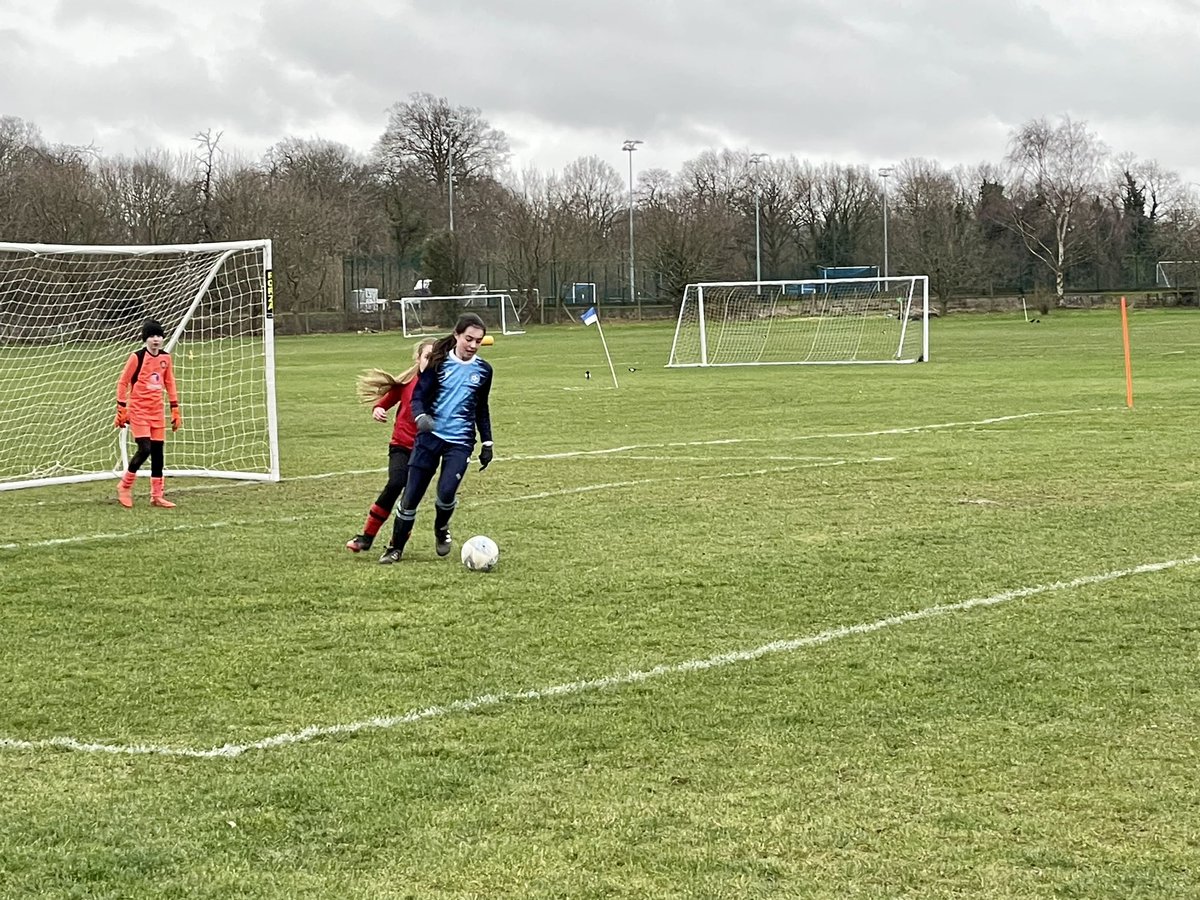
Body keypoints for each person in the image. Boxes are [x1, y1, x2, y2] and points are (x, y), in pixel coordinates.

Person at [379, 313, 494, 564]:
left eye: (478, 341)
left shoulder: (484, 371)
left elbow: (481, 408)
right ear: (457, 335)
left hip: (460, 442)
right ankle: (395, 548)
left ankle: (441, 529)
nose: (473, 345)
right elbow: (418, 395)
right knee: (410, 497)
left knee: (446, 493)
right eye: (469, 339)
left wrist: (487, 442)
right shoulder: (438, 363)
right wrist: (420, 416)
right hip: (429, 439)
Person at [345, 337, 436, 553]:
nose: (432, 362)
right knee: (395, 483)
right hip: (402, 446)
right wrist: (378, 409)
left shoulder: (445, 387)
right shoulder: (408, 383)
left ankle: (397, 546)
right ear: (418, 358)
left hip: (426, 451)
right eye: (428, 357)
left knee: (410, 498)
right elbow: (385, 401)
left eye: (437, 358)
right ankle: (366, 537)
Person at [114, 319, 181, 508]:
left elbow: (170, 383)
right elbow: (122, 382)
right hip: (138, 411)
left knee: (158, 453)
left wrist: (175, 408)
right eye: (152, 336)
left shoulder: (165, 358)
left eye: (159, 335)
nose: (156, 339)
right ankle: (125, 486)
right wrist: (122, 408)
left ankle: (157, 495)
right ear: (145, 338)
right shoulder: (137, 357)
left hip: (157, 412)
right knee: (145, 449)